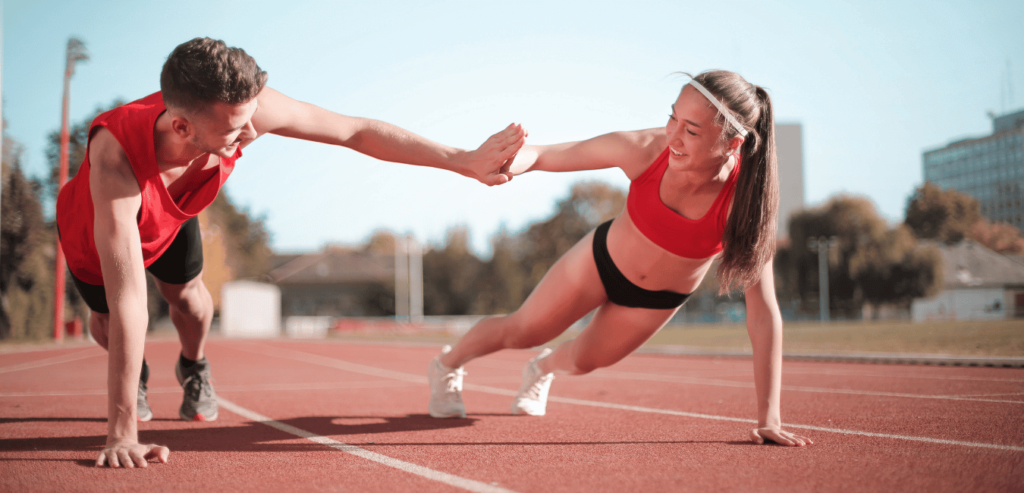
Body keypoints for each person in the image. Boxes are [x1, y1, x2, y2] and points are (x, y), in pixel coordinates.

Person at [56, 37, 525, 468]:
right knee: (112, 322)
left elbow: (355, 131)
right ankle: (135, 376)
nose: (251, 135)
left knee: (192, 302)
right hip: (96, 228)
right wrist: (122, 435)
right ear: (181, 126)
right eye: (235, 131)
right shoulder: (115, 160)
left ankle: (193, 367)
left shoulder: (246, 111)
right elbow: (129, 300)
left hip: (173, 214)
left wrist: (460, 160)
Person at [427, 70, 812, 447]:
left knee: (582, 361)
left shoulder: (744, 204)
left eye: (691, 131)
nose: (673, 137)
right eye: (672, 117)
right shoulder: (645, 149)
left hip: (655, 300)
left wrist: (769, 419)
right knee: (524, 330)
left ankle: (541, 369)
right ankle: (447, 365)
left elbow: (762, 311)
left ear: (731, 145)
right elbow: (545, 155)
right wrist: (504, 162)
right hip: (600, 261)